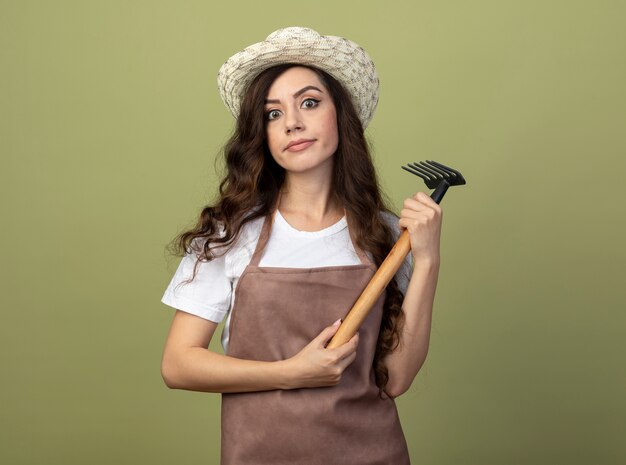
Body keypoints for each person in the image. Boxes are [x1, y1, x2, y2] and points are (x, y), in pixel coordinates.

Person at [160, 27, 442, 465]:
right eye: (273, 114)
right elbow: (178, 364)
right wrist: (290, 373)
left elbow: (398, 379)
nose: (292, 122)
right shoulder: (232, 234)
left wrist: (426, 261)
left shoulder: (385, 235)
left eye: (309, 103)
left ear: (339, 116)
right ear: (263, 135)